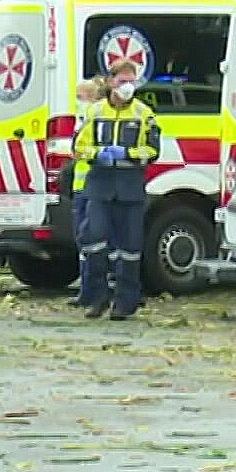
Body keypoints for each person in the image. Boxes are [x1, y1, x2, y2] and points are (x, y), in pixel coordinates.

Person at [75, 61, 161, 320]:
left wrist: (129, 154)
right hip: (100, 185)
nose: (127, 87)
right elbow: (78, 147)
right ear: (111, 82)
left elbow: (153, 150)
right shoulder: (95, 112)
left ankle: (126, 302)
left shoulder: (144, 114)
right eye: (122, 81)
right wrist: (98, 153)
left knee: (130, 248)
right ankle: (97, 297)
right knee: (95, 240)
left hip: (130, 187)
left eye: (131, 82)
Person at [66, 77, 104, 308]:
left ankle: (92, 290)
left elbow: (80, 151)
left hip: (91, 187)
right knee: (82, 241)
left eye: (80, 97)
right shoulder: (84, 120)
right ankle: (86, 290)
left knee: (90, 240)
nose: (77, 102)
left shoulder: (94, 119)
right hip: (81, 187)